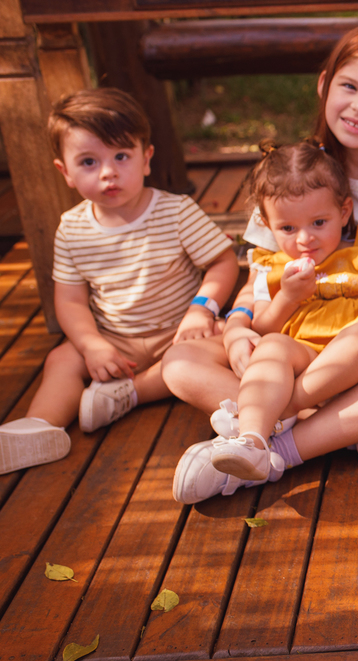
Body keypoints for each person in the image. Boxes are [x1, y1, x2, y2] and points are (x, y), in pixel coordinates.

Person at [165, 22, 358, 503]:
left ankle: (274, 443)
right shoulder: (288, 176)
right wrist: (235, 329)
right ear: (324, 85)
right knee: (181, 362)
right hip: (296, 336)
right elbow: (259, 279)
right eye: (349, 87)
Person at [0, 88, 238, 475]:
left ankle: (130, 394)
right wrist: (92, 345)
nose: (108, 172)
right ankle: (40, 428)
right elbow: (72, 300)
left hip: (179, 333)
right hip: (114, 339)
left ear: (146, 159)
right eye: (89, 162)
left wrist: (201, 310)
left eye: (121, 156)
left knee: (221, 342)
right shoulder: (73, 228)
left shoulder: (175, 211)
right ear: (66, 173)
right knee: (62, 358)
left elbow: (222, 262)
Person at [204, 141, 358, 481]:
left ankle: (279, 416)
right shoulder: (273, 268)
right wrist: (287, 297)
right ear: (267, 225)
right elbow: (266, 327)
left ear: (344, 212)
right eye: (287, 228)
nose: (304, 239)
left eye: (318, 222)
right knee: (271, 348)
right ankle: (252, 440)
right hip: (307, 356)